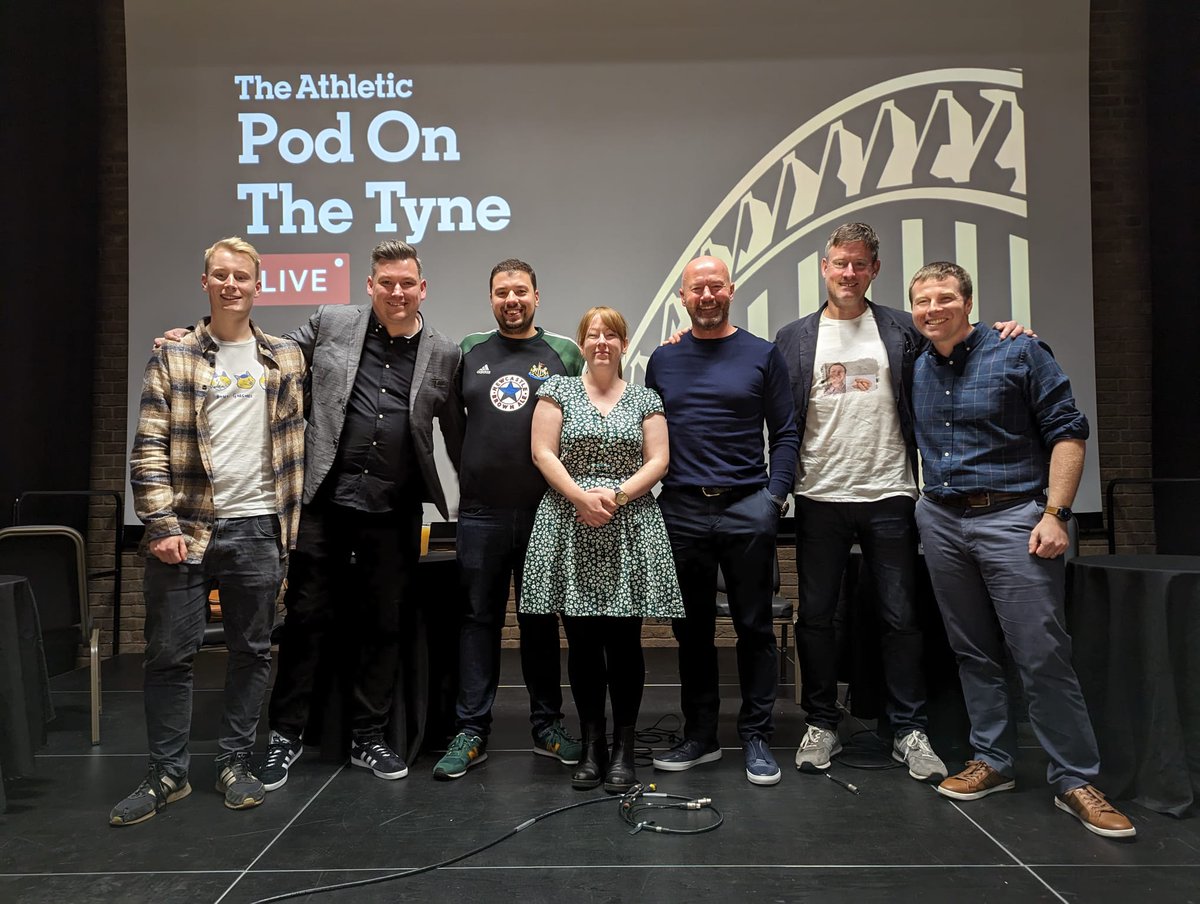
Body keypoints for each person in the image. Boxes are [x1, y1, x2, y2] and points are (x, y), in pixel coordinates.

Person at [774, 222, 1028, 781]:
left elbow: (952, 351)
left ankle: (909, 729)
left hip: (892, 494)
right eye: (839, 263)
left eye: (859, 264)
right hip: (818, 496)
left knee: (901, 619)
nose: (848, 273)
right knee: (816, 618)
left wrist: (1002, 331)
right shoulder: (793, 337)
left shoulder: (899, 329)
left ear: (874, 270)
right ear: (824, 267)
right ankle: (821, 721)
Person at [908, 261, 1135, 838]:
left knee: (1041, 653)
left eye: (943, 298)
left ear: (968, 301)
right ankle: (995, 761)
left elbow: (1069, 430)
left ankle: (1075, 778)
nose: (932, 309)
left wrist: (1057, 513)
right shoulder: (917, 367)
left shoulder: (1020, 351)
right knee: (973, 651)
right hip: (940, 519)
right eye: (921, 301)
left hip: (1014, 518)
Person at [111, 237, 306, 826]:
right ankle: (167, 773)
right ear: (205, 283)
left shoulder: (285, 358)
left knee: (252, 651)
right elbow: (147, 448)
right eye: (220, 275)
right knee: (170, 655)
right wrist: (161, 523)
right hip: (186, 530)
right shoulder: (173, 356)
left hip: (258, 528)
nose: (230, 285)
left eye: (241, 276)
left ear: (256, 285)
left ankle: (233, 762)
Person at [260, 240, 464, 787]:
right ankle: (285, 735)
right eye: (386, 283)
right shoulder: (331, 322)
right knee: (305, 617)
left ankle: (367, 736)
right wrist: (198, 334)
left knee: (383, 623)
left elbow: (459, 435)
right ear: (370, 286)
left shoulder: (445, 352)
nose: (396, 293)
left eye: (407, 284)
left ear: (422, 289)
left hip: (394, 510)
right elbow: (268, 353)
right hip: (323, 502)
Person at [647, 256, 799, 786]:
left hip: (746, 507)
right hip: (682, 509)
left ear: (730, 290)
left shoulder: (763, 355)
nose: (706, 295)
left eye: (715, 286)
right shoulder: (663, 360)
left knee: (755, 630)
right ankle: (701, 737)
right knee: (690, 632)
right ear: (683, 297)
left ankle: (757, 736)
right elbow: (652, 435)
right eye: (697, 288)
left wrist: (772, 500)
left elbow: (784, 434)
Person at [431, 259, 585, 781]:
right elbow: (454, 427)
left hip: (546, 514)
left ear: (537, 296)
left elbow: (586, 416)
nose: (511, 300)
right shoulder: (468, 351)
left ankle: (547, 726)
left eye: (520, 291)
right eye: (502, 293)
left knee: (540, 621)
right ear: (491, 298)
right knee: (478, 622)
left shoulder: (564, 353)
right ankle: (471, 729)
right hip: (480, 515)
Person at [521, 306, 683, 793]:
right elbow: (542, 452)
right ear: (582, 343)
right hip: (569, 524)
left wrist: (615, 497)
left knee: (624, 644)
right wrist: (578, 497)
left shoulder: (645, 398)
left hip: (627, 522)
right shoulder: (558, 390)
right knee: (584, 646)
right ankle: (591, 747)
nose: (601, 343)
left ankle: (624, 750)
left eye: (610, 335)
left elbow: (660, 460)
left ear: (623, 343)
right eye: (593, 335)